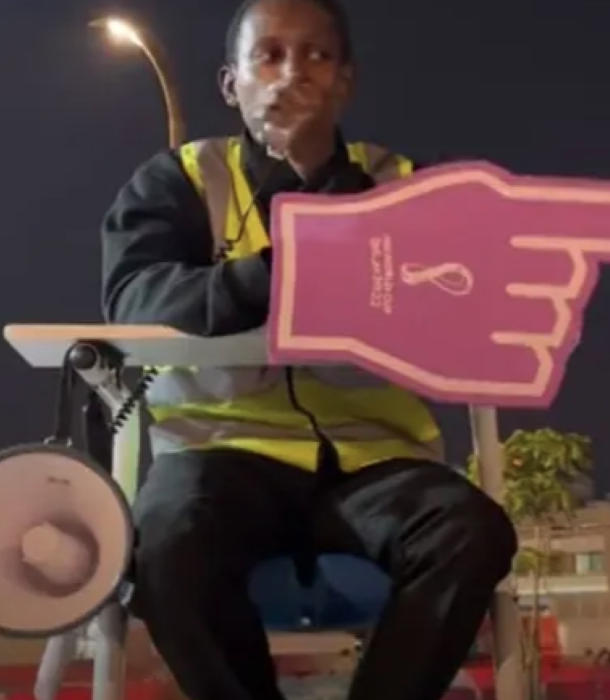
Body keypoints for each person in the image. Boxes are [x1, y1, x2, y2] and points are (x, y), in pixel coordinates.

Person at [99, 0, 518, 699]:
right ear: (230, 83)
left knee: (472, 532)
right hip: (220, 456)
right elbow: (137, 299)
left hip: (377, 462)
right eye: (269, 55)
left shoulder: (404, 184)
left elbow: (460, 305)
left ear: (345, 81)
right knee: (165, 542)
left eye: (316, 56)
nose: (292, 74)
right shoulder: (178, 181)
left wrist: (328, 186)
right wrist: (275, 273)